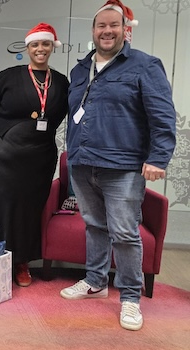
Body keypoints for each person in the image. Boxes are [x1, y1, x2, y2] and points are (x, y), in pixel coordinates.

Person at [60, 0, 176, 332]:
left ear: (126, 29)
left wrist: (157, 158)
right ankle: (96, 281)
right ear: (93, 31)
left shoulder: (145, 65)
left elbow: (162, 116)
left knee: (125, 233)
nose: (107, 31)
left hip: (123, 167)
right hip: (83, 163)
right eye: (101, 26)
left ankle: (129, 297)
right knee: (94, 224)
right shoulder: (80, 69)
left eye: (114, 25)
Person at [0, 23, 69, 287]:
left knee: (30, 211)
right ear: (28, 47)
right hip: (3, 154)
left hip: (39, 158)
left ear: (52, 47)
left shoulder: (62, 82)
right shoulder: (7, 77)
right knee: (0, 208)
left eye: (45, 44)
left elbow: (59, 116)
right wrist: (9, 130)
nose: (40, 49)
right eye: (35, 45)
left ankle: (21, 262)